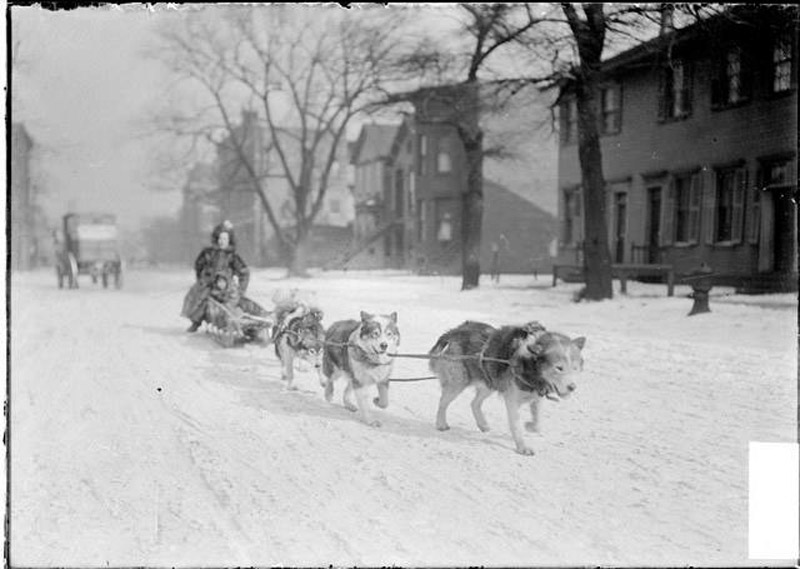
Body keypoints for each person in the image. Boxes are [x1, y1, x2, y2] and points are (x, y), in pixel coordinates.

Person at [181, 220, 251, 333]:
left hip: (224, 285)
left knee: (229, 303)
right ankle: (196, 322)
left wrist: (241, 288)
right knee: (201, 299)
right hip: (208, 283)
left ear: (229, 240)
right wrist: (201, 278)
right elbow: (198, 265)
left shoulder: (232, 256)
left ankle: (229, 323)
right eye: (219, 238)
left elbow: (244, 272)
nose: (221, 242)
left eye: (224, 239)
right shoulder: (208, 253)